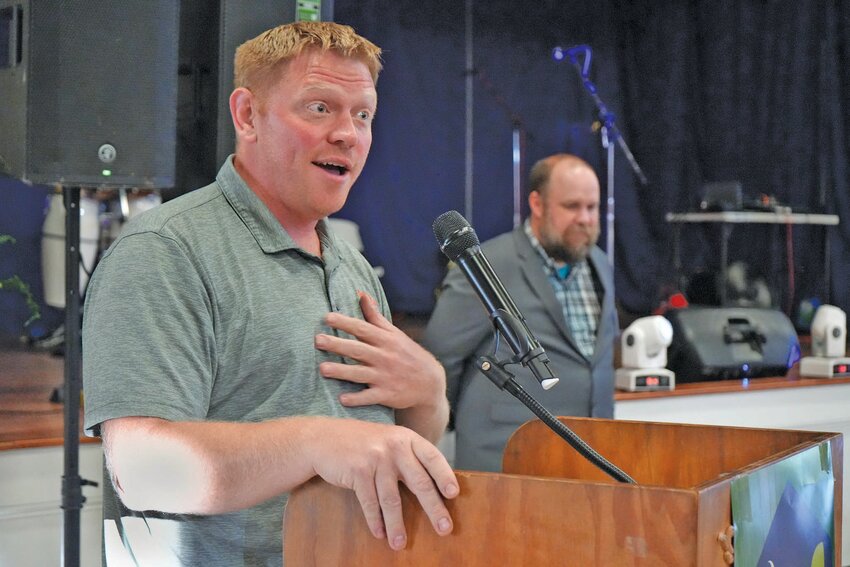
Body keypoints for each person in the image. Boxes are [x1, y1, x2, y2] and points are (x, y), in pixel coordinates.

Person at [82, 22, 458, 566]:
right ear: (247, 115)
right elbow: (143, 472)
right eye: (320, 108)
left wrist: (428, 396)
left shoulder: (353, 268)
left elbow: (382, 454)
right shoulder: (165, 252)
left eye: (363, 114)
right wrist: (313, 442)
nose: (348, 134)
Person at [423, 153, 618, 472]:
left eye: (592, 207)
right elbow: (440, 359)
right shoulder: (486, 265)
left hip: (589, 455)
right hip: (505, 456)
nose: (585, 218)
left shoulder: (599, 264)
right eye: (571, 206)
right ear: (537, 204)